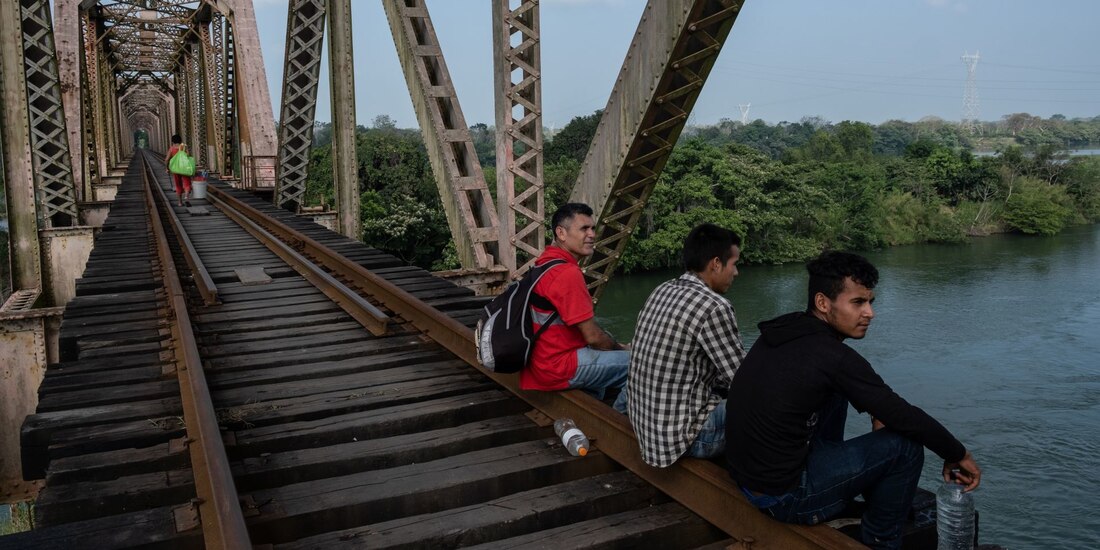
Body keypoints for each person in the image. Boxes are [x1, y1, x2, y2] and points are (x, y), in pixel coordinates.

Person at [725, 251, 981, 550]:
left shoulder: (786, 330)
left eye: (870, 302)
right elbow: (902, 414)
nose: (869, 313)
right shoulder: (833, 357)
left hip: (747, 475)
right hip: (784, 497)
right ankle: (881, 541)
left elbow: (880, 402)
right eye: (858, 302)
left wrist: (877, 408)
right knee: (906, 447)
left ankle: (839, 498)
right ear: (823, 303)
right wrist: (957, 453)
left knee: (837, 393)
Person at [627, 223, 746, 467]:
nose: (736, 273)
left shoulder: (663, 289)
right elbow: (744, 382)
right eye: (734, 264)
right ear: (715, 263)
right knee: (785, 403)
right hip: (680, 439)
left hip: (645, 427)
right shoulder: (714, 306)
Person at [520, 203, 629, 412]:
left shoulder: (544, 263)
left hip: (541, 360)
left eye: (592, 228)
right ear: (561, 233)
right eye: (583, 229)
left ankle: (593, 404)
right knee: (643, 366)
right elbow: (593, 337)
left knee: (608, 352)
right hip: (559, 365)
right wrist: (620, 348)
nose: (591, 235)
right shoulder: (567, 273)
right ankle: (618, 420)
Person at [165, 134, 191, 207]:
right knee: (187, 183)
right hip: (184, 168)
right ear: (180, 140)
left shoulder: (172, 149)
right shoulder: (184, 146)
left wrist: (166, 168)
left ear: (172, 141)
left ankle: (180, 203)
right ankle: (186, 197)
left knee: (178, 185)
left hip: (176, 169)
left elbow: (166, 159)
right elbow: (188, 156)